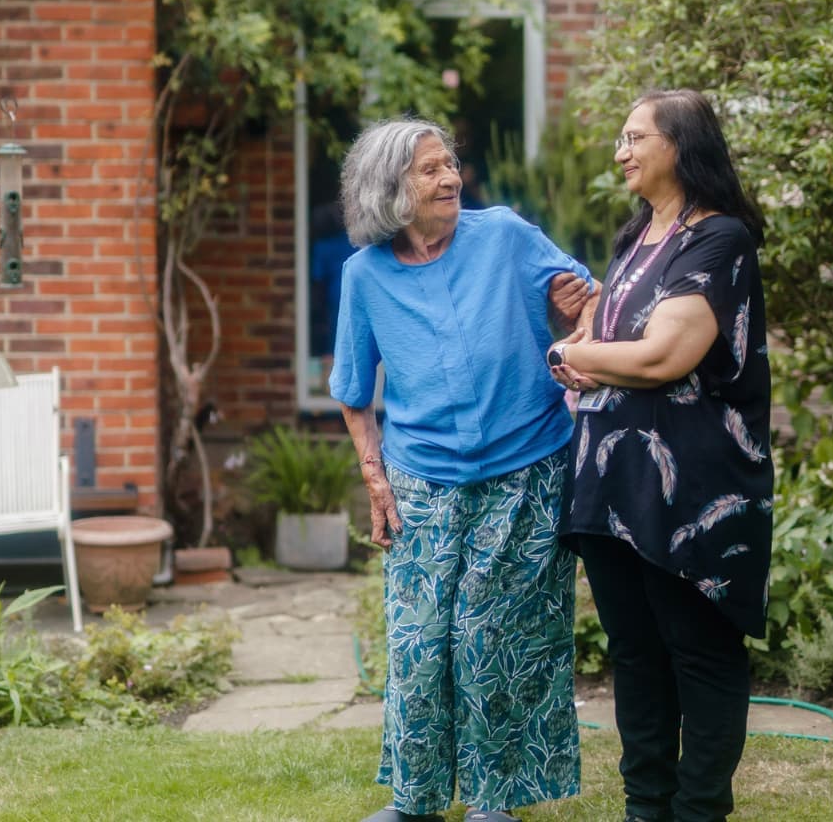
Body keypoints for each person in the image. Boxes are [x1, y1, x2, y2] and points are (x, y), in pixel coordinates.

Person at [330, 117, 595, 822]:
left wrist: (569, 320)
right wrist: (375, 481)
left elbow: (593, 302)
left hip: (524, 469)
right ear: (391, 188)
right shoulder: (365, 276)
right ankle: (413, 801)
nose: (450, 179)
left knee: (493, 638)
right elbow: (355, 392)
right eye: (430, 170)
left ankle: (492, 800)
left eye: (450, 165)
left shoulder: (504, 235)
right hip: (420, 480)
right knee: (418, 643)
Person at [549, 89, 773, 822]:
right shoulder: (636, 235)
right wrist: (581, 343)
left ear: (681, 145)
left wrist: (577, 354)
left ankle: (699, 810)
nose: (621, 151)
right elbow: (610, 339)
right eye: (620, 137)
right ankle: (646, 806)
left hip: (692, 489)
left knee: (698, 652)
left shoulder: (719, 240)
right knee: (636, 652)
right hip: (613, 478)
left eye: (635, 137)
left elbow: (663, 357)